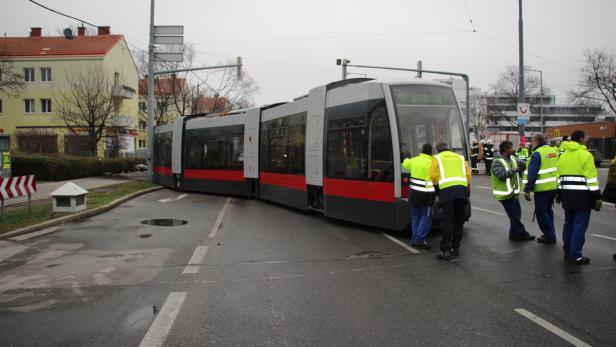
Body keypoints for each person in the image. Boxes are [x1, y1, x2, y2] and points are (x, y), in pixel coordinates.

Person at [557, 130, 602, 265]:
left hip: (567, 195)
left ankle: (568, 252)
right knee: (579, 226)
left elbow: (558, 177)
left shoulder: (563, 155)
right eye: (586, 137)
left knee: (568, 224)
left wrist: (559, 193)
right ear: (581, 139)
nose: (587, 139)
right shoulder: (585, 155)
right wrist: (597, 197)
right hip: (582, 197)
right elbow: (591, 179)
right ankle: (576, 255)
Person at [430, 142, 472, 260]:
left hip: (447, 192)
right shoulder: (460, 157)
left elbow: (433, 176)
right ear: (448, 149)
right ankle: (456, 248)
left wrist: (438, 188)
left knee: (447, 221)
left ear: (438, 150)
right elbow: (468, 174)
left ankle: (445, 250)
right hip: (461, 191)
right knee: (459, 221)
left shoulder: (437, 158)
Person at [492, 140, 535, 241]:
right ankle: (522, 233)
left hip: (513, 193)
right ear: (506, 150)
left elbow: (525, 164)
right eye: (511, 147)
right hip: (505, 194)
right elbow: (501, 175)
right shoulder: (497, 161)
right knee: (514, 216)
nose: (513, 149)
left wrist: (532, 162)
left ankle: (513, 234)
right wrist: (515, 170)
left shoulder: (513, 158)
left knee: (516, 214)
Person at [523, 133, 559, 244]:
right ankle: (550, 233)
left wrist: (527, 189)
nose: (531, 143)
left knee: (541, 212)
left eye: (532, 141)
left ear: (537, 141)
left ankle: (549, 235)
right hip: (553, 187)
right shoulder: (552, 151)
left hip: (542, 188)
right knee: (548, 211)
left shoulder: (537, 154)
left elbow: (532, 173)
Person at [402, 143, 436, 249]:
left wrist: (406, 156)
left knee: (415, 217)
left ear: (421, 150)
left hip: (413, 194)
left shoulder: (414, 160)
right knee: (427, 216)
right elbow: (436, 177)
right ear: (431, 152)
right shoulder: (432, 162)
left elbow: (405, 164)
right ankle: (420, 239)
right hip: (426, 195)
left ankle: (414, 239)